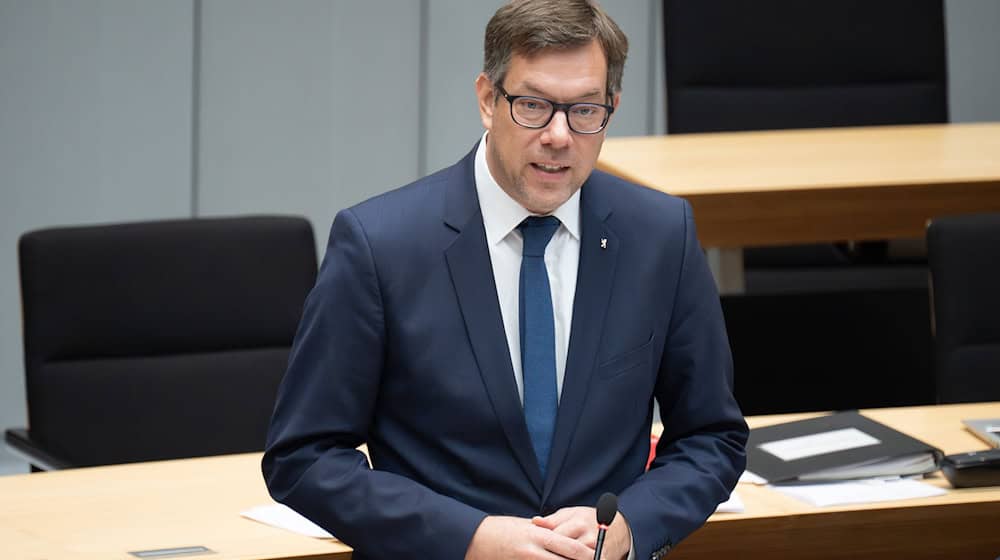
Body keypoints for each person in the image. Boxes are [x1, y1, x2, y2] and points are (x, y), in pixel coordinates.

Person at [262, 1, 748, 559]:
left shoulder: (660, 235)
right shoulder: (380, 245)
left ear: (611, 109)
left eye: (585, 110)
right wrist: (469, 538)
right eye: (533, 106)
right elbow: (304, 457)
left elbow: (712, 437)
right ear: (487, 100)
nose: (559, 136)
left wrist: (630, 527)